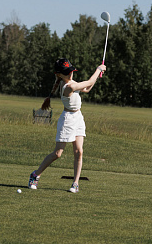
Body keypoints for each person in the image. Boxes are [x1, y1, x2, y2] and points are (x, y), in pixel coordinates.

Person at [28, 58, 106, 193]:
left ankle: (75, 183)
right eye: (67, 72)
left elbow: (87, 88)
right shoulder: (68, 87)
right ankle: (35, 174)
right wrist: (98, 70)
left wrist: (97, 76)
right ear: (59, 75)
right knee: (58, 153)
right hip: (67, 120)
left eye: (71, 71)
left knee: (79, 152)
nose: (70, 73)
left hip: (78, 118)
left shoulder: (73, 83)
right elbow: (89, 82)